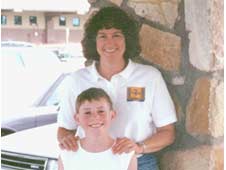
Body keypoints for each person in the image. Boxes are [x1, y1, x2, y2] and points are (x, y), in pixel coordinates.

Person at [57, 6, 177, 170]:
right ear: (94, 41)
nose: (109, 42)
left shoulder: (150, 77)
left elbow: (168, 132)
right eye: (102, 36)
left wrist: (138, 147)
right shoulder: (76, 80)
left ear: (127, 39)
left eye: (116, 35)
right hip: (90, 163)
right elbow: (64, 129)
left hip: (138, 162)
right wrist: (66, 141)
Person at [58, 87, 137, 170]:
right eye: (87, 112)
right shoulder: (66, 154)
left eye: (101, 111)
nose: (95, 116)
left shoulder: (126, 154)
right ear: (77, 118)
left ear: (112, 115)